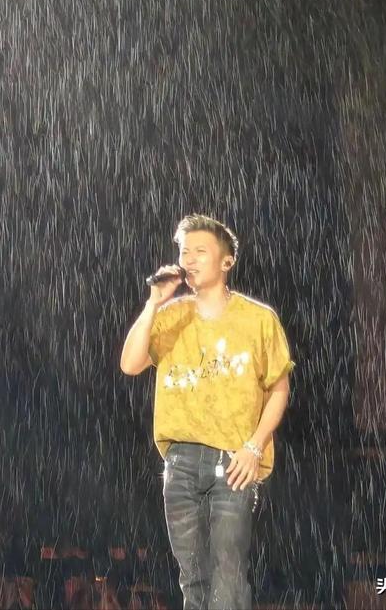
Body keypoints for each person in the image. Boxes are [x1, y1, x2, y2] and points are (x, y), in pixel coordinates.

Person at [120, 213, 296, 610]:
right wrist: (153, 302)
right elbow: (130, 364)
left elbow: (279, 388)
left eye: (200, 251)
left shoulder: (258, 319)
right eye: (185, 252)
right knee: (193, 578)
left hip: (233, 461)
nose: (190, 259)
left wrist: (254, 446)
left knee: (228, 576)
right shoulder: (170, 315)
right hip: (180, 460)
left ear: (226, 260)